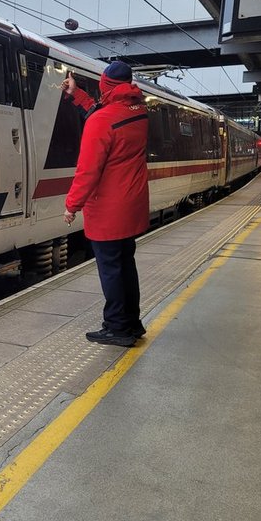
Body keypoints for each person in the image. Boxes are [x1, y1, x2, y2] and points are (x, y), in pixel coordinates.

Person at [62, 60, 149, 347]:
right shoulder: (138, 110)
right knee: (125, 264)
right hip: (131, 205)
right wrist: (78, 95)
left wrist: (72, 205)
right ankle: (132, 323)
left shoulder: (101, 121)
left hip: (109, 209)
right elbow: (107, 114)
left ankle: (117, 327)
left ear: (105, 84)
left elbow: (87, 170)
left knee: (111, 268)